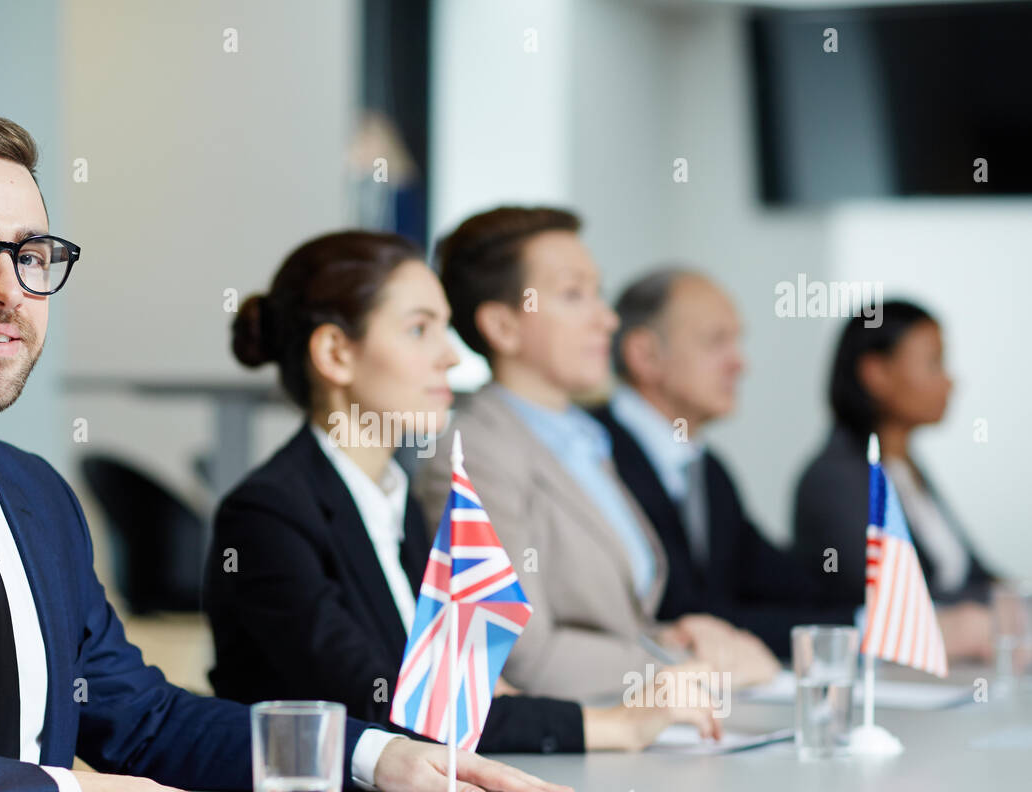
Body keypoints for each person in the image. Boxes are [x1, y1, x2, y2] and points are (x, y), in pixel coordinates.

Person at [0, 111, 574, 792]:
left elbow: (145, 721)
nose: (5, 292)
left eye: (31, 257)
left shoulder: (35, 497)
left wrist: (373, 757)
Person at [204, 231, 723, 754]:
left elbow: (452, 685)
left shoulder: (388, 500)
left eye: (443, 330)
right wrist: (615, 725)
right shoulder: (267, 515)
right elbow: (390, 708)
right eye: (418, 330)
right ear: (336, 353)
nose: (450, 356)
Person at [414, 206, 780, 703]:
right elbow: (518, 654)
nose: (606, 319)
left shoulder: (585, 440)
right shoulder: (476, 454)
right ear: (502, 326)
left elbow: (610, 619)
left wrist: (670, 635)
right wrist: (686, 668)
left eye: (598, 293)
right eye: (573, 295)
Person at [591, 268, 857, 659]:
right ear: (645, 355)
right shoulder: (593, 455)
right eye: (717, 342)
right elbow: (679, 614)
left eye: (737, 341)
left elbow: (784, 583)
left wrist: (872, 621)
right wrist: (864, 631)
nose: (740, 364)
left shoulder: (707, 469)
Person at [793, 301, 998, 660]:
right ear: (876, 373)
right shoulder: (835, 478)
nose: (949, 380)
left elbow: (976, 576)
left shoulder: (905, 469)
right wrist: (997, 612)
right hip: (894, 678)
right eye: (934, 363)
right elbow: (889, 596)